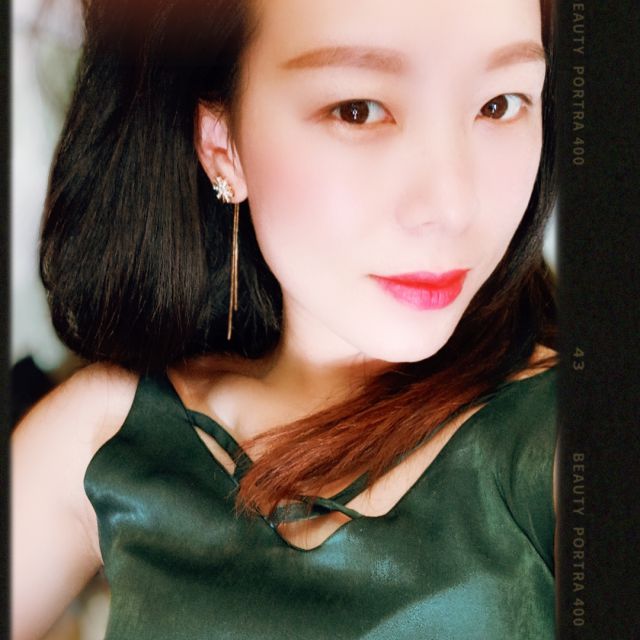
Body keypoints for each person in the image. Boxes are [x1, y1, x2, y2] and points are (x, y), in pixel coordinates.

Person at [12, 0, 559, 638]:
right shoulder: (104, 439)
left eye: (499, 105)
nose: (452, 205)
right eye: (358, 110)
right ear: (222, 144)